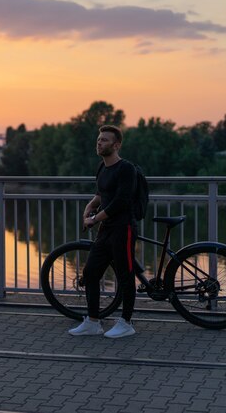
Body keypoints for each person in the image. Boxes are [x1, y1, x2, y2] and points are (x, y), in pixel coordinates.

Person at [68, 125, 138, 339]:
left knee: (125, 276)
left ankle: (126, 322)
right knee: (90, 273)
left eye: (105, 140)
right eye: (99, 139)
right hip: (106, 229)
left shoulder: (126, 169)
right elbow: (101, 194)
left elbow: (120, 201)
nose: (99, 143)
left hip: (123, 228)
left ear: (116, 145)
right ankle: (93, 322)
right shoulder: (102, 167)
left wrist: (95, 218)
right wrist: (89, 207)